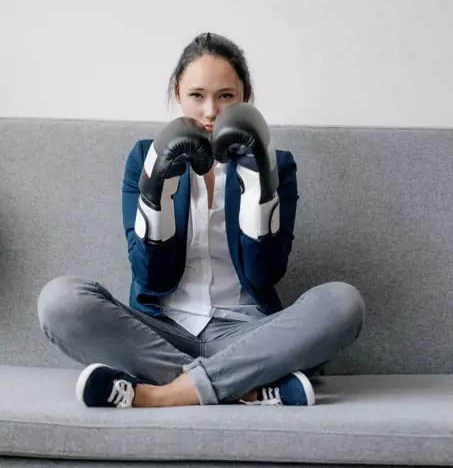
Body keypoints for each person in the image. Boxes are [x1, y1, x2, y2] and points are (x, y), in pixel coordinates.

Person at [38, 32, 365, 409]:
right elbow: (151, 277)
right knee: (60, 301)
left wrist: (260, 183)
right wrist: (156, 190)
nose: (211, 111)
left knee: (344, 303)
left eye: (225, 96)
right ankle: (247, 388)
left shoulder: (278, 162)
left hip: (248, 335)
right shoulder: (144, 156)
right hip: (161, 333)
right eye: (197, 96)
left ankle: (154, 395)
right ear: (178, 93)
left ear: (244, 97)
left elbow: (265, 273)